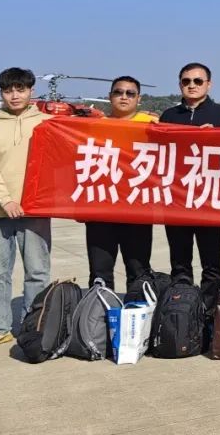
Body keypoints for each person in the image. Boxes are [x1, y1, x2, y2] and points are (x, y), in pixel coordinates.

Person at [0, 68, 52, 350]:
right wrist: (5, 200)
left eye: (20, 89)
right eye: (8, 90)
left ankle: (34, 326)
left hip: (35, 211)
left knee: (38, 272)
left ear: (31, 91)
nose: (14, 95)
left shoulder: (48, 124)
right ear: (1, 93)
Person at [159, 62, 220, 312]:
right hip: (177, 199)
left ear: (208, 84)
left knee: (211, 262)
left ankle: (209, 312)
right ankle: (182, 311)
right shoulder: (169, 116)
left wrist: (215, 138)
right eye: (186, 81)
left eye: (197, 81)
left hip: (210, 200)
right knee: (180, 261)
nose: (191, 86)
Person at [84, 76, 157, 291]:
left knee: (139, 270)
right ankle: (99, 320)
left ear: (138, 98)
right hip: (101, 210)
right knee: (100, 273)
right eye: (118, 92)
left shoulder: (152, 125)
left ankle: (136, 320)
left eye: (130, 93)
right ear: (110, 96)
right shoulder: (93, 126)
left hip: (137, 210)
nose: (124, 97)